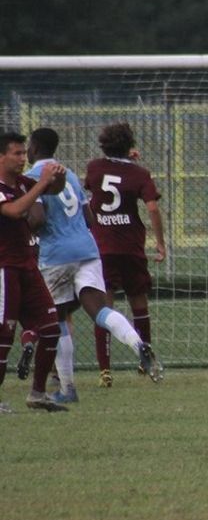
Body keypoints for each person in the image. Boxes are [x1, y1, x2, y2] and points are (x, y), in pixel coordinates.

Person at [24, 128, 162, 402]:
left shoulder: (32, 178)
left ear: (35, 148)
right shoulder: (70, 174)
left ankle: (67, 389)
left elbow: (37, 219)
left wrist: (23, 226)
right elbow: (89, 216)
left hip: (56, 255)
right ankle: (138, 344)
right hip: (88, 249)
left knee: (58, 319)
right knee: (99, 310)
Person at [85, 122, 167, 387]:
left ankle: (105, 370)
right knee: (139, 304)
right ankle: (145, 361)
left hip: (102, 248)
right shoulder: (140, 174)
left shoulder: (94, 168)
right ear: (130, 145)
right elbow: (152, 208)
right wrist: (160, 243)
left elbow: (103, 184)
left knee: (104, 308)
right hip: (131, 248)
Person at [0, 130, 69, 412]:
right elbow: (15, 211)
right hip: (5, 270)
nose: (21, 158)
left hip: (29, 266)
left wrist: (58, 176)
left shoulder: (22, 183)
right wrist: (41, 184)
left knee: (51, 328)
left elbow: (54, 189)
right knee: (4, 337)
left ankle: (37, 394)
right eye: (16, 153)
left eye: (22, 152)